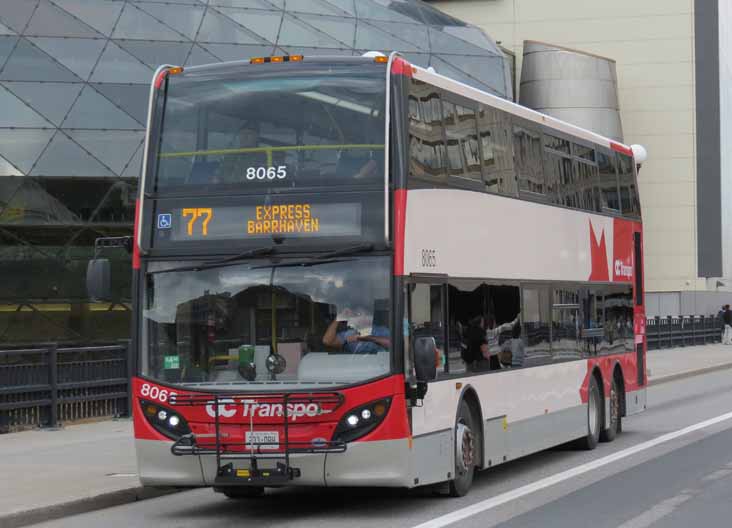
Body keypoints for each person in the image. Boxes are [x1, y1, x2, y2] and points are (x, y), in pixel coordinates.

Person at [322, 319, 390, 354]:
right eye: (356, 315)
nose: (360, 318)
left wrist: (368, 338)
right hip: (355, 366)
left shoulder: (380, 330)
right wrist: (338, 318)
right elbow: (327, 341)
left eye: (362, 314)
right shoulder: (349, 334)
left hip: (378, 368)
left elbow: (393, 344)